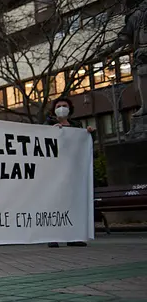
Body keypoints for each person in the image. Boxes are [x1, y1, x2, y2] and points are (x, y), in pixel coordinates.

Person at [45, 97, 95, 248]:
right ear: (54, 110)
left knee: (72, 203)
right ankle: (52, 236)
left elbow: (84, 146)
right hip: (54, 170)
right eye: (59, 106)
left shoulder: (77, 126)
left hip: (73, 171)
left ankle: (72, 236)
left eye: (64, 106)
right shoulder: (47, 125)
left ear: (70, 109)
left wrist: (89, 134)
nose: (61, 108)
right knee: (55, 203)